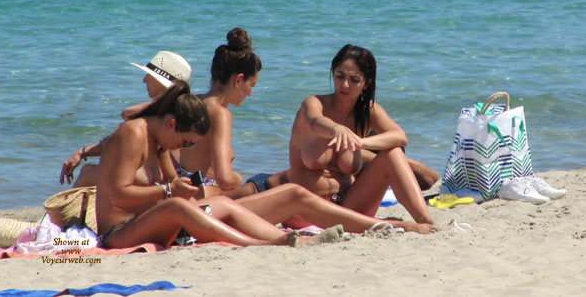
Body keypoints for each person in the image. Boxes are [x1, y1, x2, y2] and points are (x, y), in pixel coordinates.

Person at [97, 80, 430, 249]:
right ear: (170, 124)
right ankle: (260, 244)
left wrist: (192, 190)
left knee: (293, 195)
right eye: (185, 143)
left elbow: (177, 191)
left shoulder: (158, 142)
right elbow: (119, 198)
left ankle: (377, 228)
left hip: (174, 220)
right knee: (180, 206)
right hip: (121, 232)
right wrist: (171, 189)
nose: (182, 149)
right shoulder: (133, 134)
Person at [288, 44, 434, 225]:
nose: (345, 85)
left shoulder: (367, 112)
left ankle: (426, 221)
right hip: (308, 210)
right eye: (339, 76)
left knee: (393, 152)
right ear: (332, 72)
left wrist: (362, 142)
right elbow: (314, 120)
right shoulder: (314, 104)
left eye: (354, 79)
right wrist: (336, 129)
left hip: (348, 206)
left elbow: (399, 136)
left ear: (367, 83)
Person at [59, 51, 191, 187]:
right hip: (167, 179)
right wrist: (83, 152)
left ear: (161, 81)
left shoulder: (160, 121)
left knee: (87, 172)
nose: (144, 79)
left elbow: (127, 113)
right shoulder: (172, 116)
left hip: (146, 185)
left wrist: (84, 152)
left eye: (150, 75)